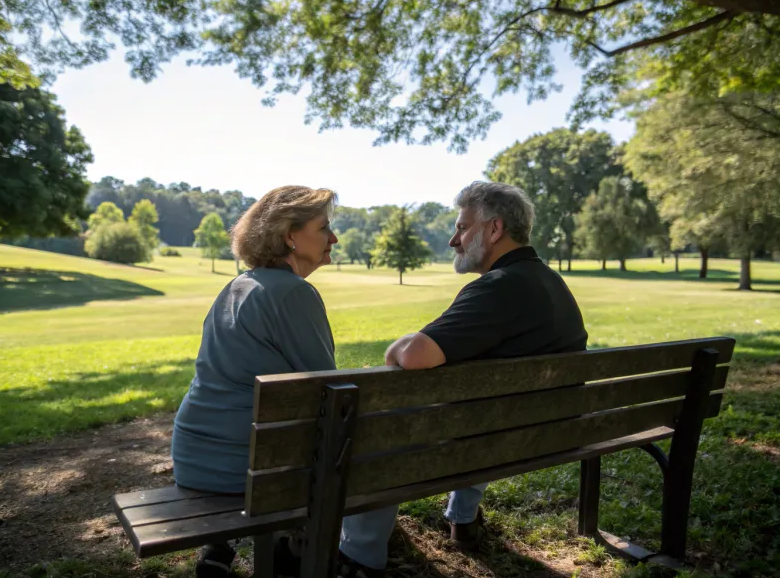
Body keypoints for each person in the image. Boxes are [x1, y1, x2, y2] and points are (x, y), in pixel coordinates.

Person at [336, 181, 588, 577]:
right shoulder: (550, 282)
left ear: (495, 229)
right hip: (543, 431)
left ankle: (359, 557)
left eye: (462, 227)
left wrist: (395, 346)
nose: (454, 240)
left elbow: (414, 356)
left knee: (377, 411)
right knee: (478, 408)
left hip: (487, 435)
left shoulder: (498, 288)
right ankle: (463, 519)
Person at [170, 185, 339, 578]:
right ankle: (291, 546)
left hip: (195, 456)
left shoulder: (236, 286)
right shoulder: (294, 294)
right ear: (290, 236)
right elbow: (330, 390)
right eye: (324, 227)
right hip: (247, 470)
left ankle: (230, 547)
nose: (333, 238)